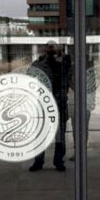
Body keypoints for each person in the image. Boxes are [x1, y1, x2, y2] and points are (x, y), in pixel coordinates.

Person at [29, 42, 70, 172]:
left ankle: (58, 161)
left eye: (53, 51)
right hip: (44, 103)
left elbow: (69, 64)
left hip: (59, 103)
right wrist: (43, 58)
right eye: (48, 51)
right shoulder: (40, 63)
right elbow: (31, 72)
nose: (51, 54)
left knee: (60, 136)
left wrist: (61, 56)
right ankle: (39, 161)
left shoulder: (63, 63)